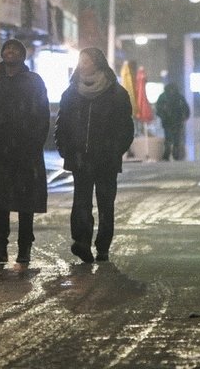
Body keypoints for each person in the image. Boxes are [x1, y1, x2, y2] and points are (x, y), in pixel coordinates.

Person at [55, 48, 134, 263]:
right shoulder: (71, 93)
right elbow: (62, 125)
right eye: (81, 61)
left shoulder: (116, 94)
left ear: (98, 63)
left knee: (105, 204)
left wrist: (115, 150)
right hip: (80, 159)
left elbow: (126, 128)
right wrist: (66, 150)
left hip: (107, 159)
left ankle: (103, 247)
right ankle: (81, 243)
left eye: (87, 61)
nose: (83, 64)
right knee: (81, 203)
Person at [0, 39, 50, 264]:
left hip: (26, 148)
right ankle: (0, 246)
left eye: (15, 49)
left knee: (25, 201)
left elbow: (43, 114)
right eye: (7, 49)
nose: (10, 52)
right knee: (0, 200)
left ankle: (24, 248)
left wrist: (35, 143)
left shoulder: (34, 81)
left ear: (22, 55)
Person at [155, 83, 191, 161]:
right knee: (175, 139)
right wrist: (185, 116)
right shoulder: (179, 97)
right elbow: (186, 107)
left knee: (170, 139)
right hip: (175, 121)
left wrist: (162, 115)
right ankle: (174, 155)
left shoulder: (163, 96)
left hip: (170, 121)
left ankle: (168, 155)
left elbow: (158, 109)